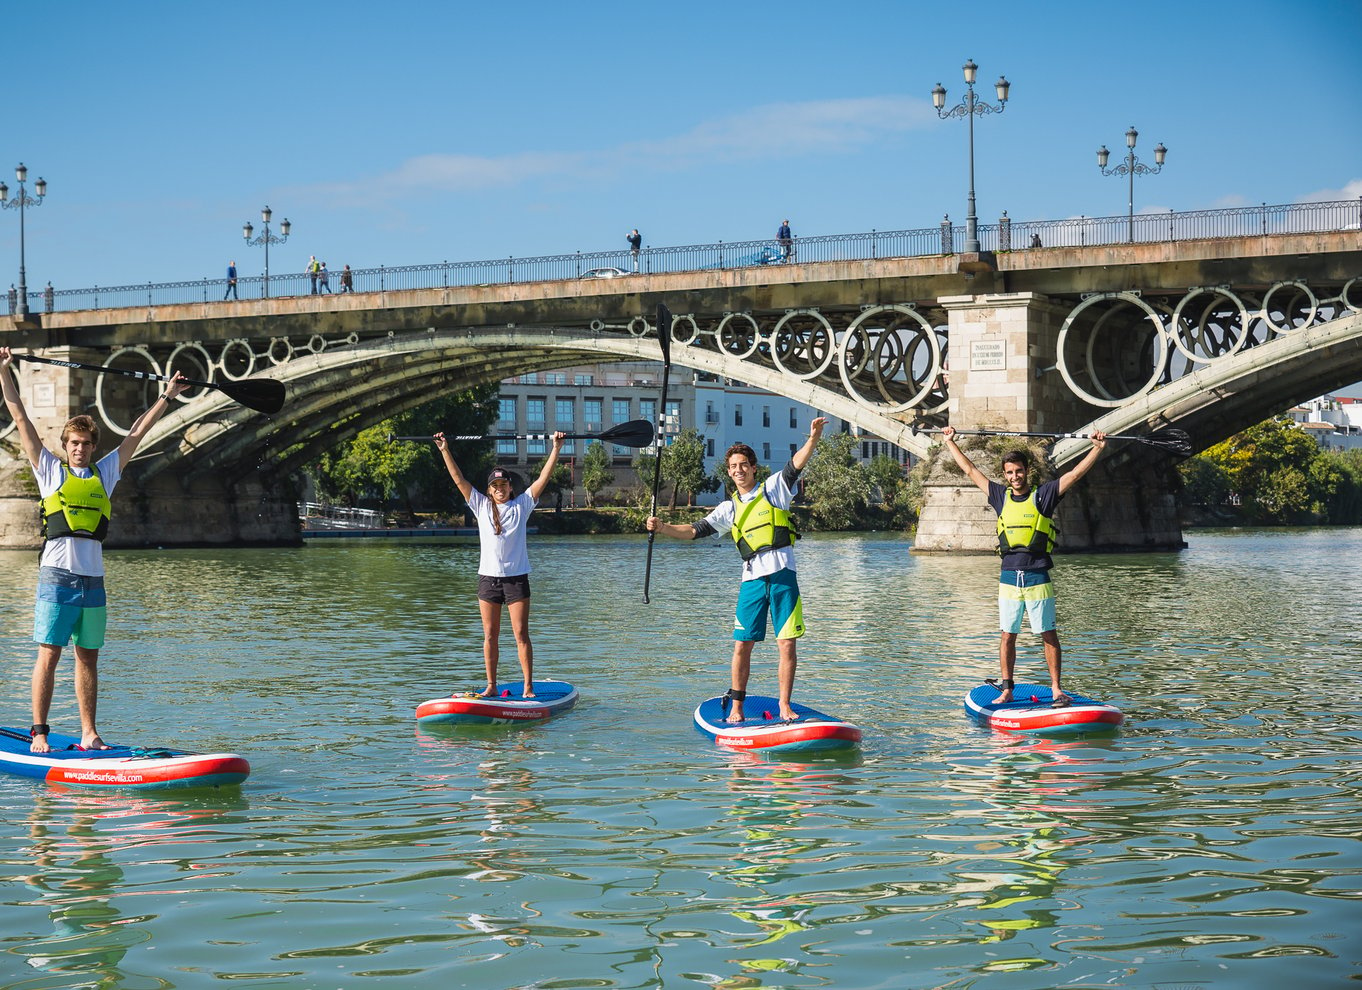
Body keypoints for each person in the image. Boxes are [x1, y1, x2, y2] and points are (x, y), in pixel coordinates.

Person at [0, 346, 189, 753]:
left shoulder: (106, 473)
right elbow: (20, 417)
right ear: (65, 444)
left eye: (85, 443)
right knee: (48, 656)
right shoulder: (49, 470)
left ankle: (89, 733)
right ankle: (40, 732)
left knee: (88, 660)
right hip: (57, 579)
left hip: (94, 582)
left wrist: (167, 396)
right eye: (73, 443)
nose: (79, 449)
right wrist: (3, 372)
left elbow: (137, 434)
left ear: (92, 446)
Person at [647, 417, 827, 723]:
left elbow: (795, 466)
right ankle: (737, 707)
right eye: (733, 467)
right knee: (742, 644)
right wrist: (662, 527)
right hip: (752, 581)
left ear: (753, 467)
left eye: (743, 464)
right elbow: (693, 531)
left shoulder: (773, 490)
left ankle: (785, 706)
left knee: (786, 644)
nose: (738, 470)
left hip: (783, 576)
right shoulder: (728, 508)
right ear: (729, 472)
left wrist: (813, 439)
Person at [939, 426, 1107, 707]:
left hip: (1038, 576)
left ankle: (1056, 689)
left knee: (1048, 634)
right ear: (1005, 475)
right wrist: (950, 442)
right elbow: (969, 470)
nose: (1014, 477)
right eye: (1009, 472)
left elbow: (1074, 475)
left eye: (1018, 471)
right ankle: (1007, 690)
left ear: (1026, 471)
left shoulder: (1045, 495)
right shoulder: (998, 496)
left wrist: (1097, 449)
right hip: (1009, 579)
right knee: (1008, 635)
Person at [434, 431, 566, 698]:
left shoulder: (522, 505)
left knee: (521, 635)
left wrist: (556, 448)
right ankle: (491, 686)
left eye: (503, 485)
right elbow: (459, 479)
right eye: (495, 486)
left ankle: (528, 687)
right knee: (490, 636)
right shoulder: (480, 505)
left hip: (516, 579)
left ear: (509, 487)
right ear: (489, 490)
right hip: (488, 580)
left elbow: (543, 478)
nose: (499, 489)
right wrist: (445, 450)